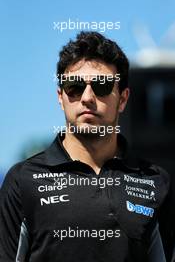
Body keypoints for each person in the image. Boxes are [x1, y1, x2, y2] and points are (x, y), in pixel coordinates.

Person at [0, 31, 172, 262]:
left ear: (122, 99)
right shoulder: (22, 181)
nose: (87, 97)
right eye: (75, 86)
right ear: (60, 97)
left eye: (101, 86)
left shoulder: (155, 181)